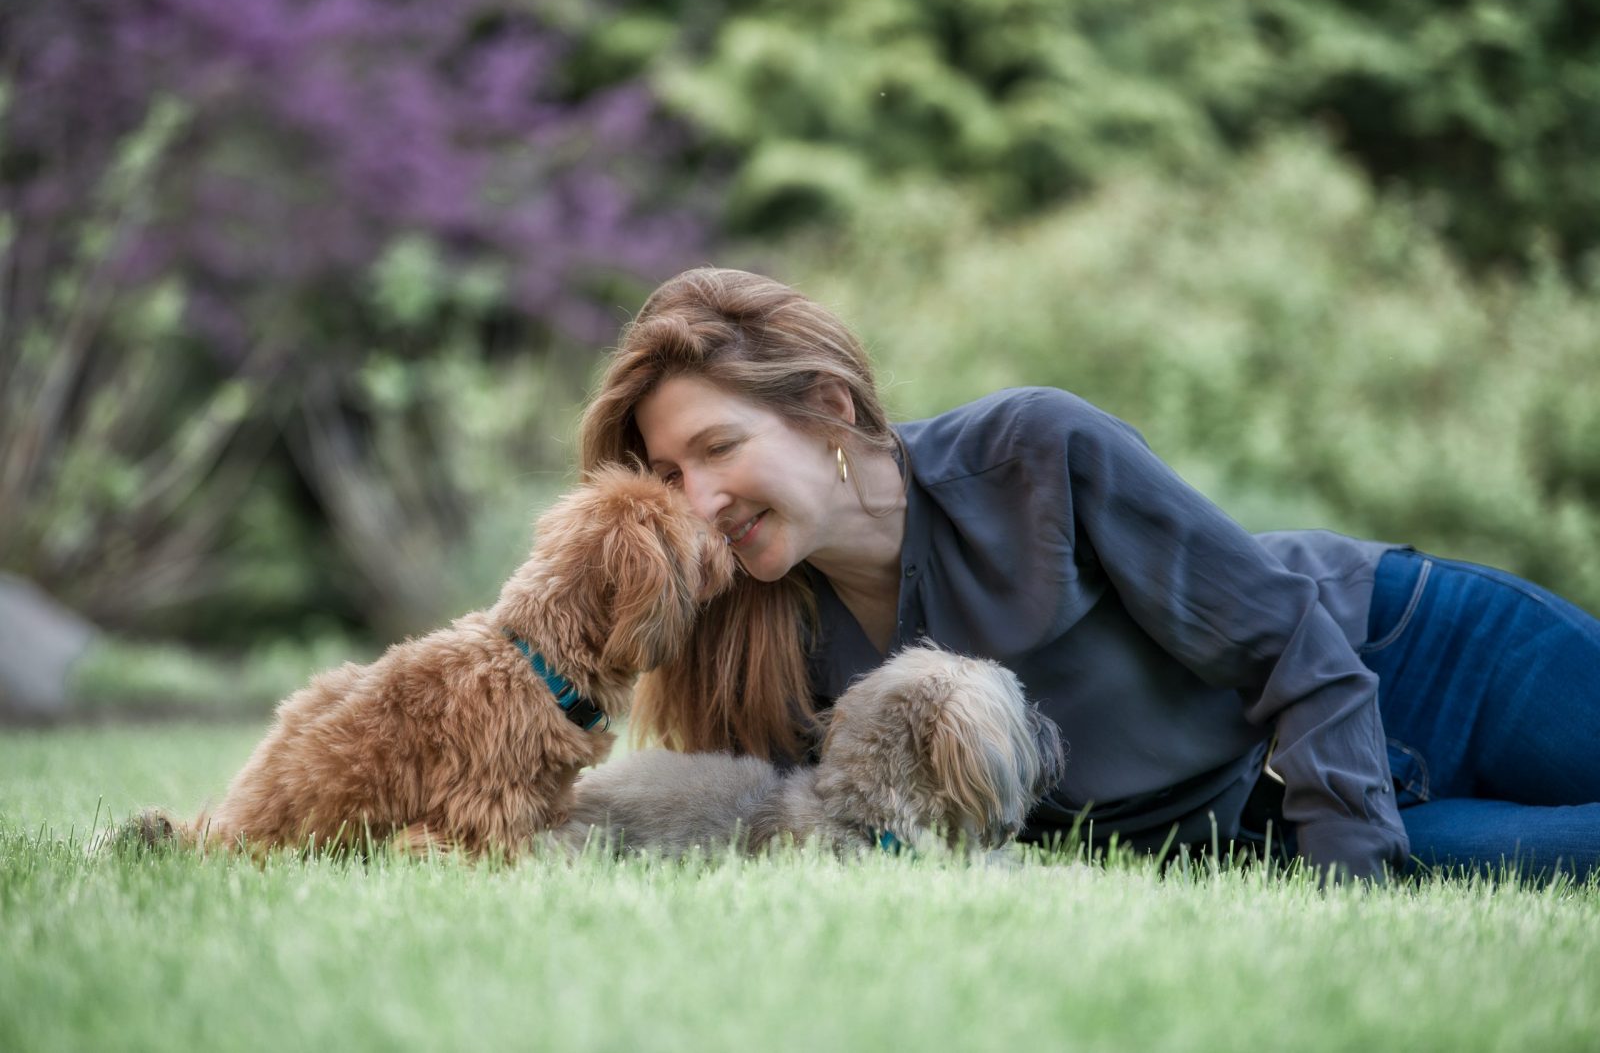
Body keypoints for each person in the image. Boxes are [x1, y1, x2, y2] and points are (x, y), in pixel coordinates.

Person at [576, 267, 1600, 881]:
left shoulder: (1030, 452)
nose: (696, 499)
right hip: (1266, 815)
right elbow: (777, 828)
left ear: (828, 408)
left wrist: (1350, 884)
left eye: (718, 447)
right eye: (668, 473)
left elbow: (1292, 644)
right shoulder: (761, 647)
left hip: (1415, 653)